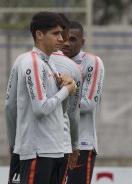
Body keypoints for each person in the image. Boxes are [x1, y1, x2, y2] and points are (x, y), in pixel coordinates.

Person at [5, 12, 76, 184]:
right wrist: (66, 91)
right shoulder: (33, 62)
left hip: (55, 149)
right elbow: (41, 108)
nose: (61, 39)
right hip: (38, 151)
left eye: (61, 33)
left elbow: (60, 109)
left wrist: (65, 88)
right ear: (39, 34)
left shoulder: (49, 62)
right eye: (55, 33)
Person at [61, 21, 105, 184]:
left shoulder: (92, 62)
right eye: (64, 38)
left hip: (82, 144)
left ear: (82, 42)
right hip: (55, 144)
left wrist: (56, 101)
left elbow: (88, 104)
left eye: (73, 39)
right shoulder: (52, 62)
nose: (67, 43)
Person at [50, 14, 83, 184]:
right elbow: (72, 113)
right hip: (59, 146)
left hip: (27, 147)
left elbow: (11, 106)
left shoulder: (23, 60)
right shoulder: (73, 68)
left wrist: (14, 141)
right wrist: (75, 145)